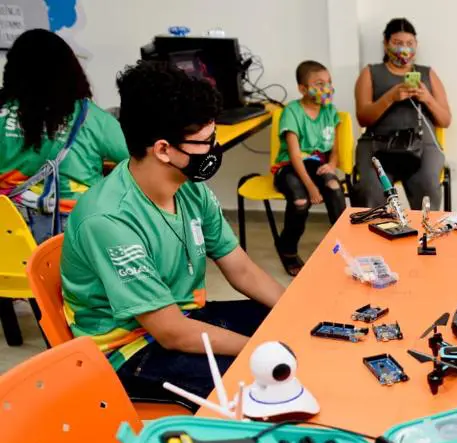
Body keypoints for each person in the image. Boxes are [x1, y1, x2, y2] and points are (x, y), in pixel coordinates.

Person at [61, 60, 285, 408]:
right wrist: (262, 350)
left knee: (293, 328)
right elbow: (171, 333)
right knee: (265, 383)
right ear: (163, 149)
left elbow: (240, 268)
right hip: (132, 349)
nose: (214, 149)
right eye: (205, 141)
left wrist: (296, 312)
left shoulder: (189, 187)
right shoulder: (109, 220)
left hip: (184, 317)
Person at [0, 29, 128, 241]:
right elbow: (139, 158)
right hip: (70, 228)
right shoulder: (90, 117)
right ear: (69, 70)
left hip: (8, 229)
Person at [353, 17, 451, 211]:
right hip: (377, 144)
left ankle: (423, 236)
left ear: (416, 45)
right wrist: (390, 97)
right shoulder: (370, 73)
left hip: (421, 146)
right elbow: (363, 117)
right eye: (397, 43)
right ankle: (374, 236)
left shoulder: (427, 73)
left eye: (409, 43)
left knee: (428, 187)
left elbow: (445, 120)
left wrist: (427, 98)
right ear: (386, 43)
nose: (404, 48)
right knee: (370, 189)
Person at [272, 60, 347, 276]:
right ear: (302, 89)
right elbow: (295, 155)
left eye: (328, 82)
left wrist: (332, 165)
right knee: (300, 201)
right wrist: (311, 188)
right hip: (289, 167)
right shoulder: (292, 111)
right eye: (319, 83)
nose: (326, 87)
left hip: (316, 164)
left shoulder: (330, 111)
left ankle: (344, 245)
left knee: (334, 186)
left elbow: (334, 148)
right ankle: (287, 250)